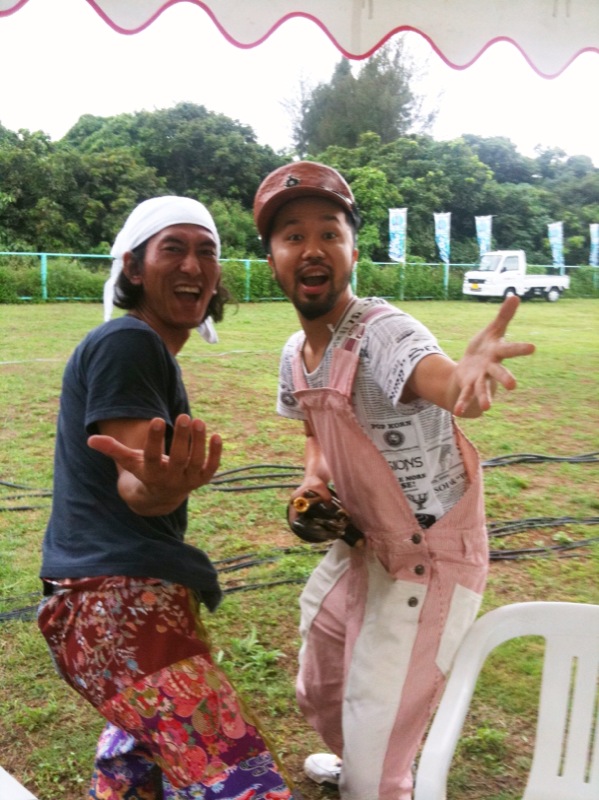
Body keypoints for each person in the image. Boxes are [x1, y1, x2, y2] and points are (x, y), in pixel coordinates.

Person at [252, 162, 536, 800]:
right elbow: (317, 438)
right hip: (360, 546)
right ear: (272, 259)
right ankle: (359, 760)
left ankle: (377, 779)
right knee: (320, 687)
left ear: (353, 251)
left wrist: (464, 380)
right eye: (293, 235)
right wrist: (312, 485)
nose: (312, 247)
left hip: (429, 559)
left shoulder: (382, 330)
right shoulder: (293, 357)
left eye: (330, 232)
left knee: (377, 767)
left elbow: (442, 380)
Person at [38, 196, 299, 800]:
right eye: (173, 248)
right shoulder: (129, 342)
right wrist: (156, 486)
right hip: (116, 608)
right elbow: (136, 481)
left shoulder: (144, 349)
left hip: (106, 605)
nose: (192, 265)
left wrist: (156, 488)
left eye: (206, 251)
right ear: (133, 267)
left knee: (138, 770)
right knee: (240, 784)